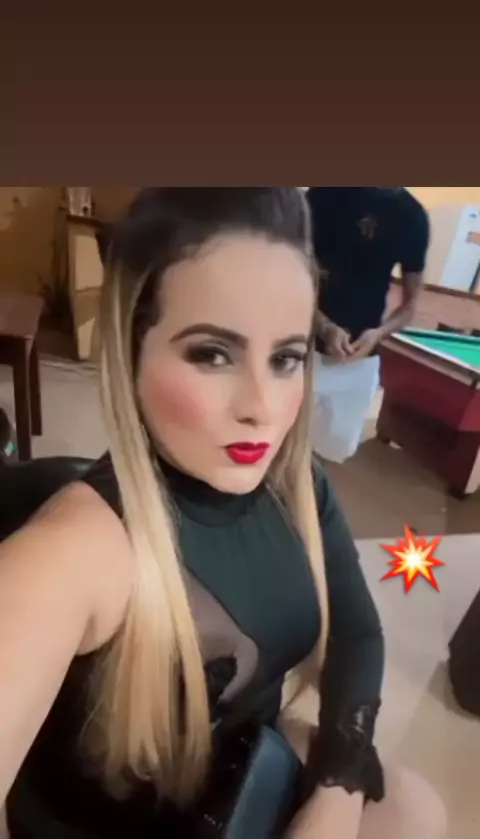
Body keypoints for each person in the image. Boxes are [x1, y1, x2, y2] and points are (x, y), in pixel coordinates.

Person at [0, 189, 445, 838]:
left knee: (413, 809)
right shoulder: (72, 550)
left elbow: (357, 635)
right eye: (212, 353)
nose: (261, 406)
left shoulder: (296, 483)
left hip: (238, 780)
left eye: (286, 358)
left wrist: (337, 790)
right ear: (131, 350)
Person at [306, 186, 430, 462]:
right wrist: (324, 326)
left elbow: (409, 307)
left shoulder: (411, 216)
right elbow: (290, 278)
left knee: (336, 450)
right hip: (302, 350)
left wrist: (377, 334)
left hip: (360, 360)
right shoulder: (323, 195)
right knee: (280, 439)